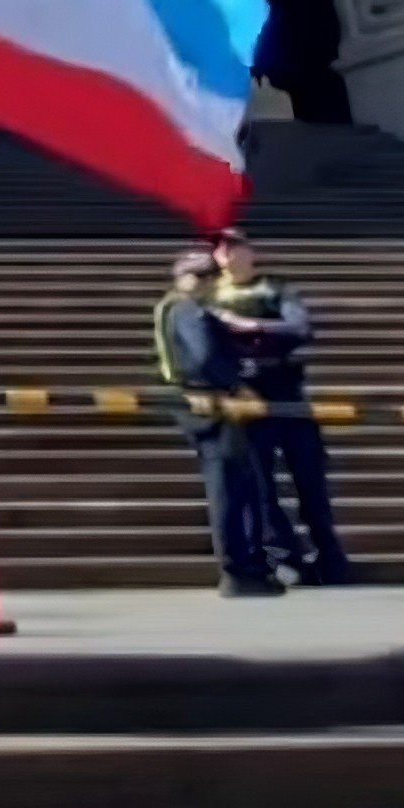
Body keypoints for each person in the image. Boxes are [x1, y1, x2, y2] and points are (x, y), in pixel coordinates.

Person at [215, 232, 351, 585]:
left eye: (234, 246)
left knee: (311, 480)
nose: (227, 254)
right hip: (246, 395)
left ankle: (330, 557)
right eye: (220, 248)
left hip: (286, 390)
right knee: (261, 487)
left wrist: (253, 325)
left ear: (250, 252)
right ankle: (287, 556)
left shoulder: (274, 288)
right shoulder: (210, 295)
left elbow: (299, 326)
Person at [155, 247, 274, 597]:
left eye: (209, 276)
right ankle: (238, 568)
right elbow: (204, 356)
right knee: (228, 485)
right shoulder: (189, 311)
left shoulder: (173, 308)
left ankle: (241, 565)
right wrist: (237, 387)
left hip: (198, 400)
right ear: (183, 278)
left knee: (229, 482)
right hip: (211, 402)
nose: (207, 282)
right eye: (199, 276)